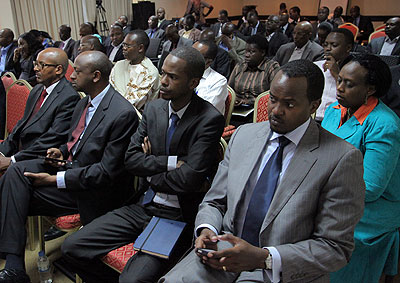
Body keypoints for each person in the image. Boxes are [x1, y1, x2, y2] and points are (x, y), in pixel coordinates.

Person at [160, 59, 365, 283]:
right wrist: (206, 229)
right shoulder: (243, 136)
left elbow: (335, 248)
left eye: (289, 104)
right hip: (223, 252)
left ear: (313, 106)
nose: (275, 111)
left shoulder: (340, 158)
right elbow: (214, 201)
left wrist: (264, 258)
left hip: (279, 269)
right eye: (273, 100)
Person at [62, 46, 225, 283]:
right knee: (72, 246)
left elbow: (189, 179)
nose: (164, 81)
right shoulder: (154, 108)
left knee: (133, 279)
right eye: (163, 73)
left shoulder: (208, 119)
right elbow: (131, 160)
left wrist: (149, 168)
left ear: (193, 83)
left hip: (176, 215)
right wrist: (169, 164)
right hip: (144, 205)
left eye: (173, 77)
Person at [0, 51, 139, 282]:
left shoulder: (121, 113)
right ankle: (15, 266)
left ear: (95, 76)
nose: (70, 76)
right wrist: (61, 152)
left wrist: (55, 179)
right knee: (16, 174)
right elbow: (74, 141)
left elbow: (105, 173)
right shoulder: (85, 101)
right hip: (71, 169)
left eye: (77, 72)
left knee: (12, 189)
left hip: (92, 191)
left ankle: (13, 265)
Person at [322, 54, 400, 283]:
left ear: (370, 89)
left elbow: (371, 188)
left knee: (323, 233)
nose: (340, 88)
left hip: (371, 210)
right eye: (340, 80)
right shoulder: (334, 110)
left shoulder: (384, 125)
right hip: (336, 195)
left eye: (350, 83)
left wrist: (319, 189)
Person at [0, 47, 80, 172]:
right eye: (35, 64)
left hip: (39, 157)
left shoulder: (69, 97)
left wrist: (13, 159)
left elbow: (52, 138)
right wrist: (2, 152)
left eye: (41, 65)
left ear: (58, 69)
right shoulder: (37, 90)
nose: (35, 69)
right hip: (20, 151)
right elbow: (22, 124)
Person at [110, 30, 160, 111]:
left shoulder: (150, 73)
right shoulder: (119, 65)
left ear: (140, 48)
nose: (124, 48)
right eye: (123, 45)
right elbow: (109, 91)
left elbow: (132, 103)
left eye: (128, 46)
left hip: (134, 116)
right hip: (113, 110)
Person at [314, 28, 354, 122]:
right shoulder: (316, 66)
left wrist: (337, 74)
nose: (328, 48)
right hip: (312, 118)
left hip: (339, 120)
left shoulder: (355, 71)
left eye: (334, 45)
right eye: (325, 44)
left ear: (348, 48)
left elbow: (351, 100)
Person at [229, 35, 279, 106]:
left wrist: (248, 101)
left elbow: (274, 94)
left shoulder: (271, 67)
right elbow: (229, 90)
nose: (246, 55)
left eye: (251, 52)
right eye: (246, 51)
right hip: (237, 107)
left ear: (262, 53)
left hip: (260, 108)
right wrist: (235, 99)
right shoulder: (240, 66)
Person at [193, 40, 228, 114]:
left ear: (208, 62)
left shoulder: (218, 81)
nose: (188, 57)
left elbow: (206, 112)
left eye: (194, 56)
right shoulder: (183, 73)